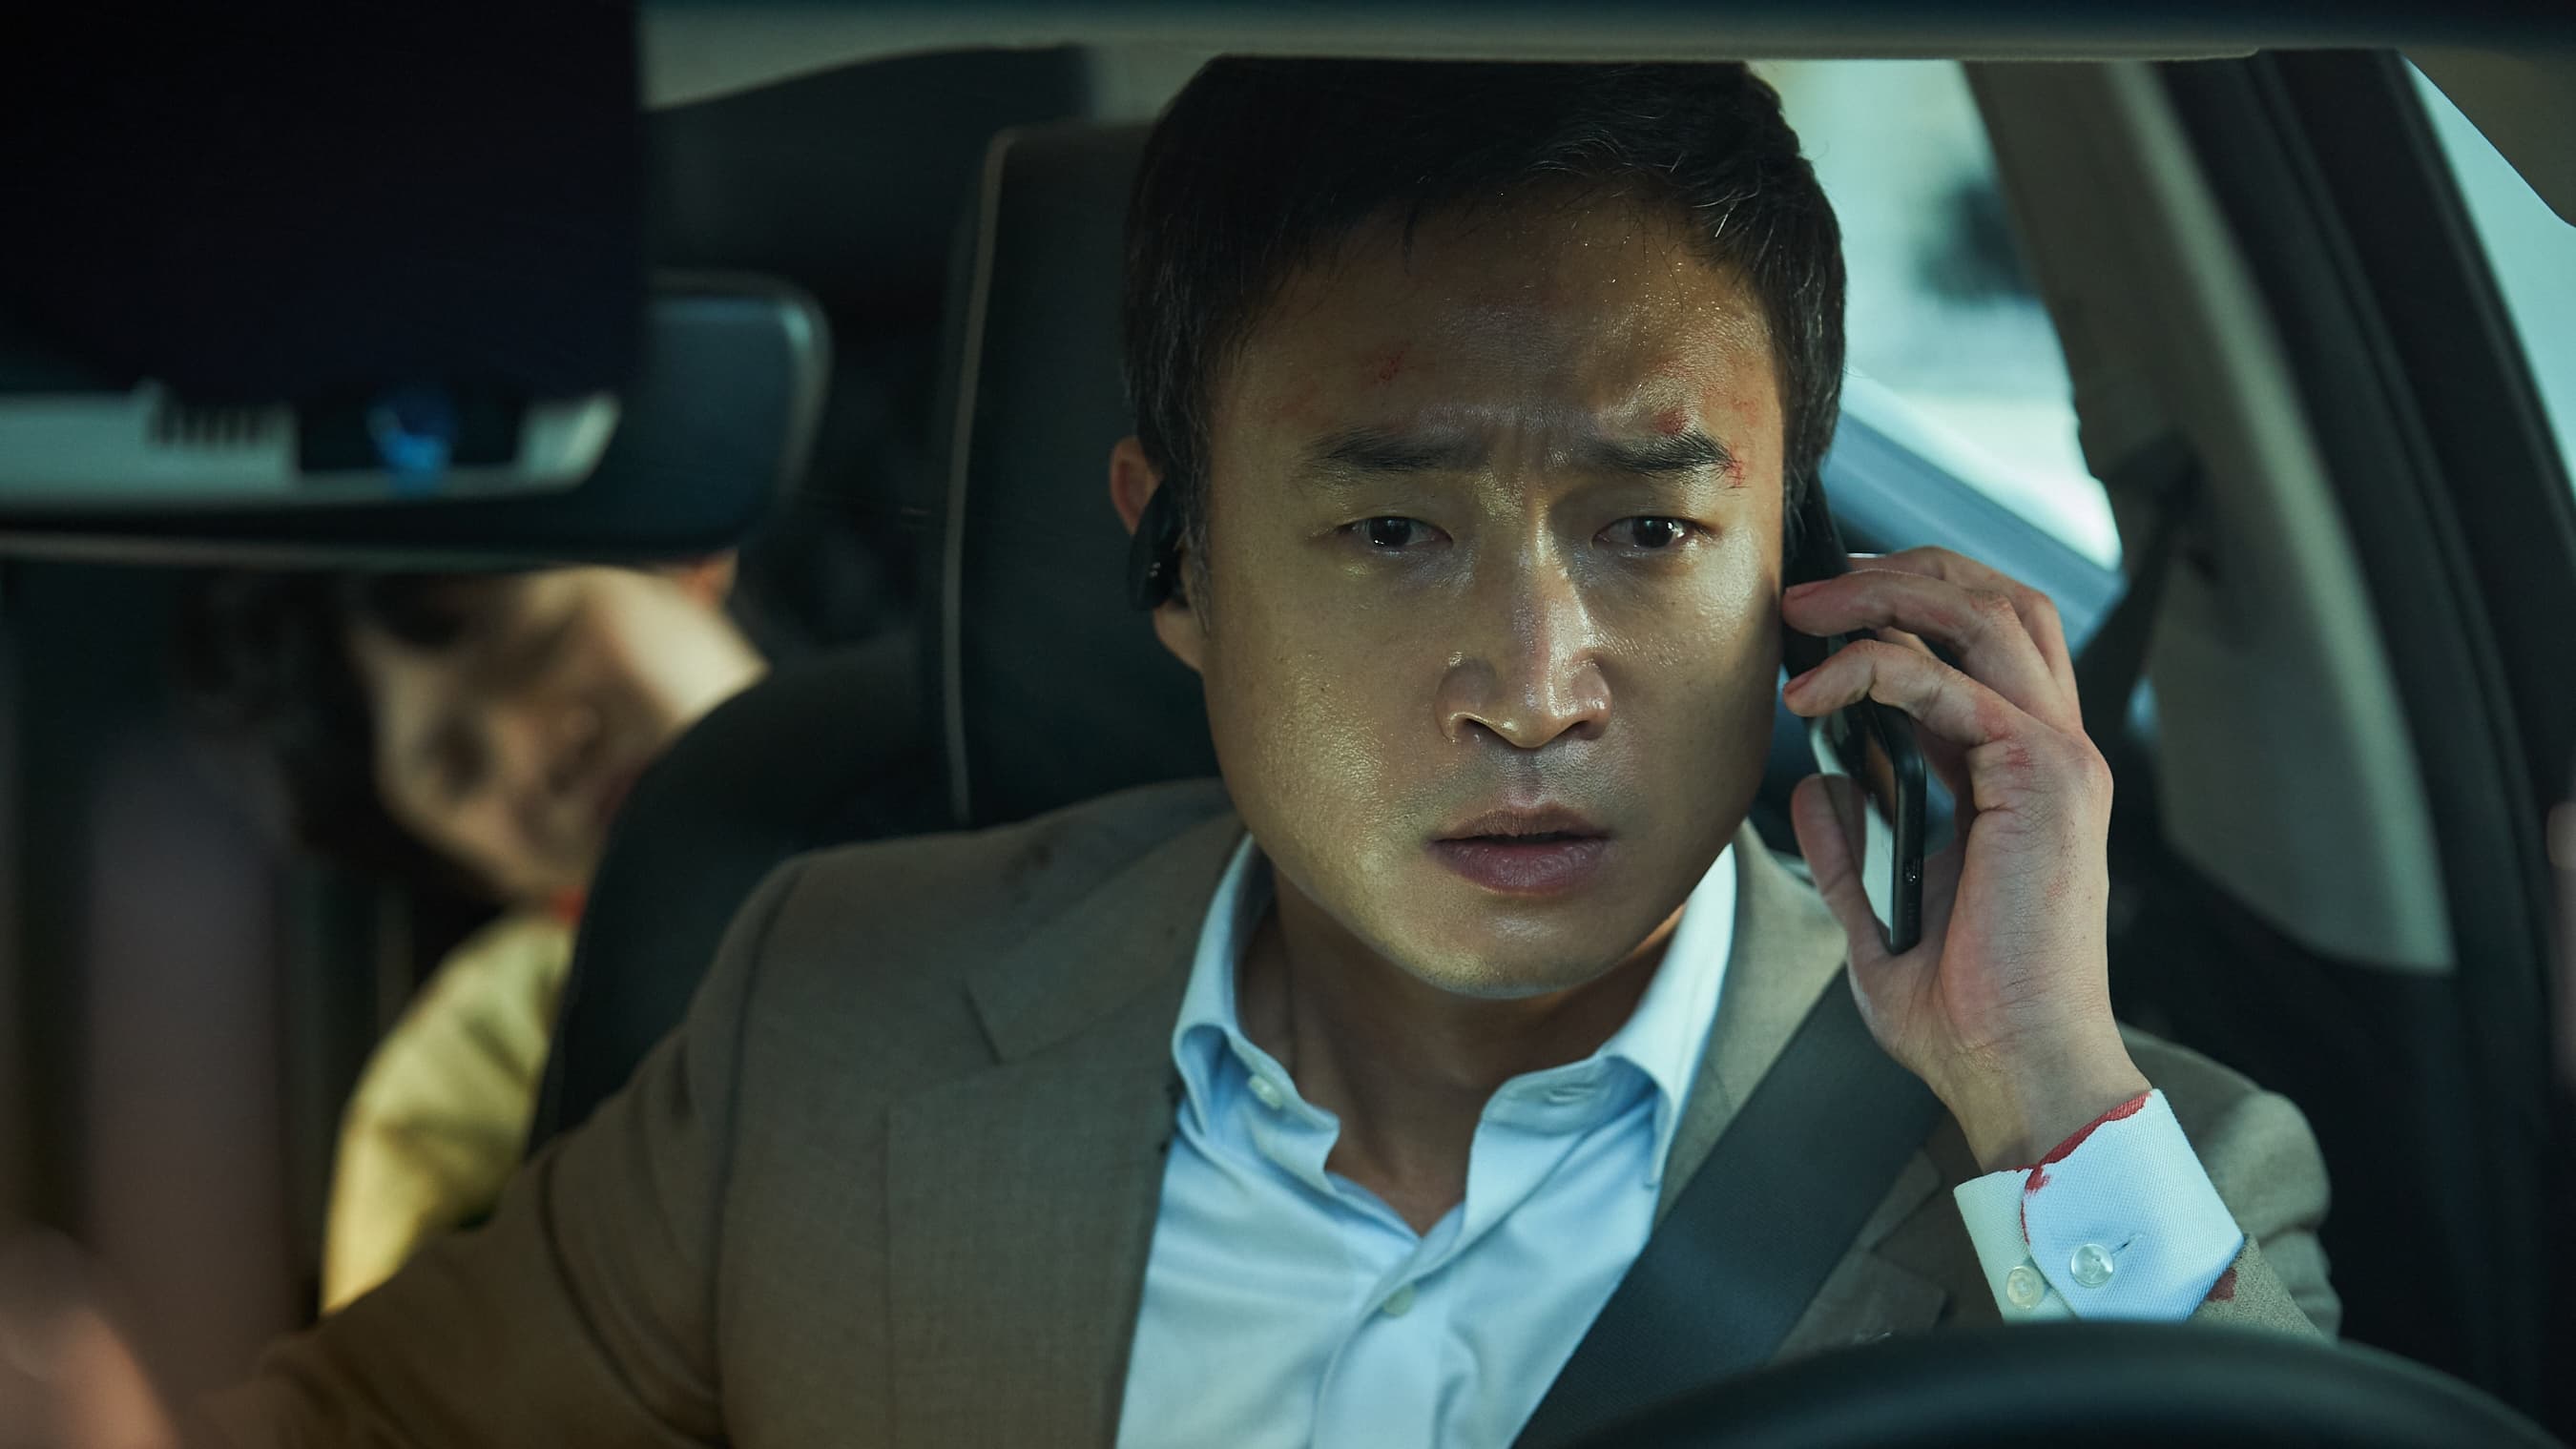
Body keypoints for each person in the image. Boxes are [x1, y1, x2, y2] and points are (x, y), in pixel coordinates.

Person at [163, 57, 2334, 1444]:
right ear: (1176, 560)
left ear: (1805, 574)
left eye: (1649, 531)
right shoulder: (835, 1014)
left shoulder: (2101, 1172)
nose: (1534, 685)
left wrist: (2036, 1091)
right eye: (1391, 532)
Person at [176, 560, 767, 1313]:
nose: (535, 751)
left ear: (684, 558)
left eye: (544, 642)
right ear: (465, 867)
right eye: (458, 771)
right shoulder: (464, 1101)